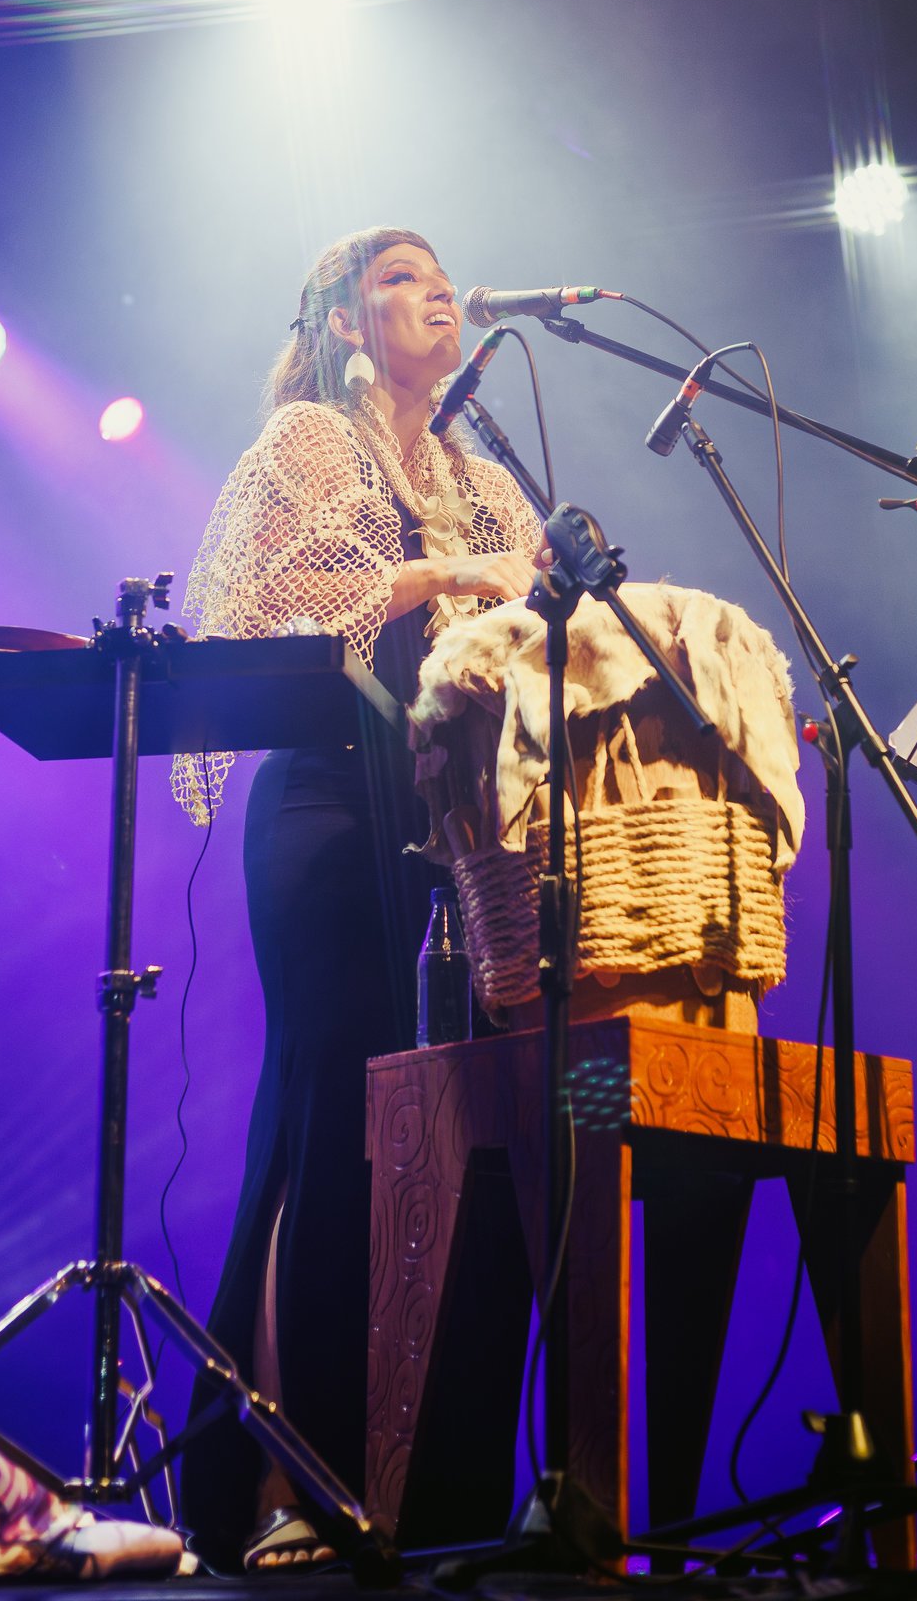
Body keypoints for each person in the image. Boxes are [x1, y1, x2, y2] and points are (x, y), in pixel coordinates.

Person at [174, 227, 542, 1571]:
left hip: (463, 824)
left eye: (441, 274)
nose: (434, 290)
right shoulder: (312, 444)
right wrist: (448, 578)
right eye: (397, 276)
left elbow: (542, 631)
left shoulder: (487, 479)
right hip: (331, 799)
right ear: (340, 320)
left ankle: (428, 1485)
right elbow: (263, 602)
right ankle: (283, 1475)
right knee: (332, 1112)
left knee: (458, 1139)